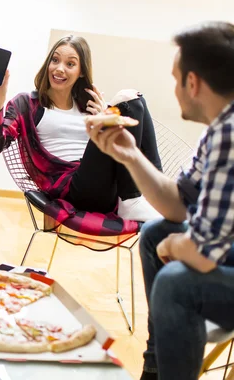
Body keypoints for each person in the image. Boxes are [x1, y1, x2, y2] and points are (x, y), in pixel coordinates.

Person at [87, 21, 234, 380]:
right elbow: (178, 205)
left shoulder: (229, 136)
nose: (175, 89)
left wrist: (178, 245)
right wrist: (131, 156)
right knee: (154, 232)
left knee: (175, 281)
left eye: (175, 78)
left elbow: (201, 253)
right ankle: (158, 365)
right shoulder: (217, 131)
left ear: (193, 83)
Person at [0, 35, 162, 223]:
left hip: (105, 187)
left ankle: (154, 194)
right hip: (72, 189)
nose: (59, 68)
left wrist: (103, 116)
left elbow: (119, 146)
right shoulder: (27, 104)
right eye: (55, 60)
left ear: (81, 72)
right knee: (125, 99)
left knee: (135, 101)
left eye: (70, 64)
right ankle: (131, 202)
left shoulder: (89, 105)